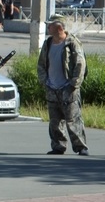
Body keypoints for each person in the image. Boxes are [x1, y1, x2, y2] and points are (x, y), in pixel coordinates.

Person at [37, 13, 89, 157]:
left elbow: (80, 64)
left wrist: (73, 84)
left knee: (73, 119)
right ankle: (58, 146)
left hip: (68, 88)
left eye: (50, 25)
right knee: (55, 121)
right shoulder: (48, 43)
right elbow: (41, 64)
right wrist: (45, 81)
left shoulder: (72, 43)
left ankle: (81, 147)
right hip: (52, 88)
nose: (48, 27)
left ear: (59, 27)